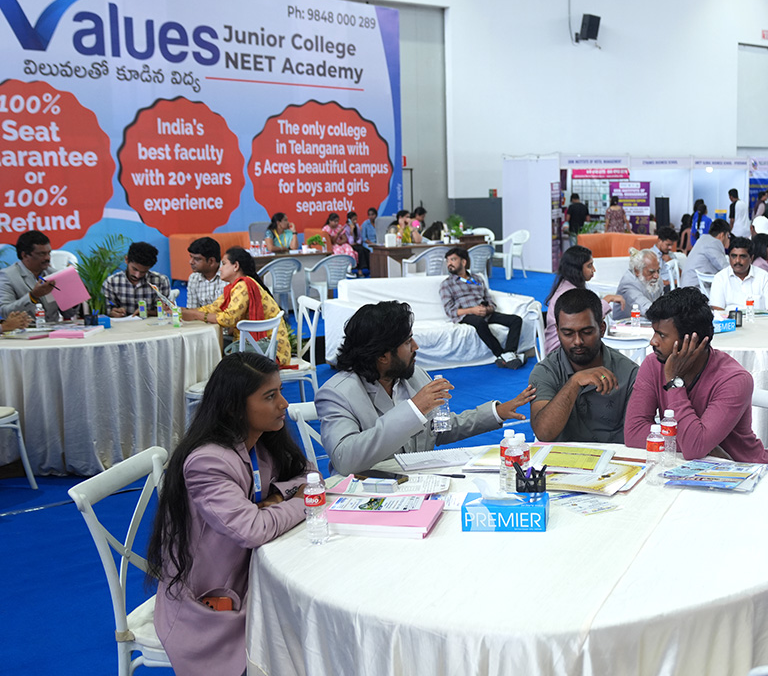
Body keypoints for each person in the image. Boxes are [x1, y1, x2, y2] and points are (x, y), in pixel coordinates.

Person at [147, 352, 312, 676]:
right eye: (270, 396)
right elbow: (252, 529)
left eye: (280, 392)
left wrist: (276, 496)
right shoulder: (207, 461)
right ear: (234, 407)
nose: (284, 404)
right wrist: (307, 502)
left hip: (251, 578)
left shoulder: (261, 441)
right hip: (209, 605)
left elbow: (308, 475)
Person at [314, 301, 534, 474]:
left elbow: (439, 429)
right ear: (382, 356)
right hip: (366, 497)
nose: (416, 347)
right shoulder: (337, 394)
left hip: (419, 485)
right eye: (408, 342)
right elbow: (345, 459)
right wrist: (414, 409)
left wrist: (496, 412)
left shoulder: (414, 375)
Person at [623, 288, 768, 464]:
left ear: (692, 340)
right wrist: (704, 446)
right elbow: (633, 432)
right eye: (654, 332)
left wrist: (674, 382)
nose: (653, 341)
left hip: (742, 469)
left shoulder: (734, 380)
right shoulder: (653, 364)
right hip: (685, 468)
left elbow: (694, 447)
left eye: (662, 335)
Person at [528, 288, 637, 443]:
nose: (577, 341)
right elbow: (544, 433)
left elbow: (637, 437)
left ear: (602, 329)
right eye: (568, 333)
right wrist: (574, 383)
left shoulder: (629, 373)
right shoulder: (545, 371)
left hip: (614, 457)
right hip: (562, 457)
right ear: (557, 332)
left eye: (586, 332)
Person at [182, 247, 292, 366]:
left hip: (268, 351)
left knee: (209, 350)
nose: (220, 268)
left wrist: (196, 315)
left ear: (236, 266)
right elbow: (213, 308)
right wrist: (183, 311)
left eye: (224, 264)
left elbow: (229, 319)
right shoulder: (236, 287)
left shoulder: (244, 286)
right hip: (255, 345)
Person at [439, 247, 524, 368]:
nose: (449, 263)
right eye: (447, 261)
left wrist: (487, 309)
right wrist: (472, 310)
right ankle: (501, 354)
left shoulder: (478, 279)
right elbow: (450, 311)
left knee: (516, 320)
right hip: (467, 315)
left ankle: (509, 353)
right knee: (479, 323)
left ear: (463, 262)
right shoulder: (447, 284)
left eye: (453, 259)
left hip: (485, 312)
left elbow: (490, 302)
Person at [543, 246, 624, 354]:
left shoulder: (567, 286)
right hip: (561, 351)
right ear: (576, 269)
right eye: (589, 266)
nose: (594, 270)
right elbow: (587, 318)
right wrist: (608, 299)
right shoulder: (568, 293)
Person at [0, 230, 79, 322]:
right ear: (25, 255)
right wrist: (33, 296)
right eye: (41, 254)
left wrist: (74, 299)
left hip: (54, 328)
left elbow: (68, 314)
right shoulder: (7, 276)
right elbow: (4, 312)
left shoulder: (54, 274)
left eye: (49, 253)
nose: (47, 258)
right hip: (26, 328)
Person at [709, 237, 768, 313]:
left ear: (751, 258)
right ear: (729, 257)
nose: (737, 261)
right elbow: (718, 310)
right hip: (730, 320)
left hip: (760, 320)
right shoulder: (720, 278)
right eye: (734, 256)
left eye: (742, 256)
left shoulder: (764, 277)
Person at [102, 241, 171, 317]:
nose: (137, 275)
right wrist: (113, 312)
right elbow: (108, 309)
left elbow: (166, 311)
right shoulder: (111, 282)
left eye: (143, 272)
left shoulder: (161, 281)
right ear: (126, 260)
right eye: (134, 269)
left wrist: (149, 312)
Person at [681, 218, 731, 290]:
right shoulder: (714, 243)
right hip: (695, 288)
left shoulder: (703, 239)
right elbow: (724, 267)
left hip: (689, 285)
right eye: (728, 236)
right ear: (722, 235)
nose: (729, 239)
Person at [615, 248, 661, 319]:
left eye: (658, 271)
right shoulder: (628, 284)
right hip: (627, 324)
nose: (657, 276)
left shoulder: (655, 278)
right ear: (637, 271)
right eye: (651, 272)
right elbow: (645, 307)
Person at [186, 237, 226, 310]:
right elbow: (192, 310)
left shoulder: (229, 276)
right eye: (191, 257)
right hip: (202, 317)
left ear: (211, 261)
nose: (191, 262)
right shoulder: (193, 278)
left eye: (197, 259)